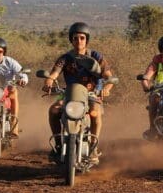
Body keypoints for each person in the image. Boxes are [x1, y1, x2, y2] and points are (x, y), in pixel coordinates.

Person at [41, 22, 115, 160]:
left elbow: (109, 77)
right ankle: (58, 144)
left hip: (91, 94)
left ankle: (93, 147)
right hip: (69, 94)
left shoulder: (96, 56)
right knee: (54, 110)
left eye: (82, 38)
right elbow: (54, 73)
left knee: (95, 113)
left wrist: (106, 88)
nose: (79, 41)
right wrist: (49, 82)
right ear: (71, 40)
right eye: (75, 38)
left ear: (87, 39)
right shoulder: (65, 58)